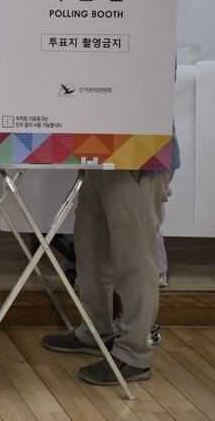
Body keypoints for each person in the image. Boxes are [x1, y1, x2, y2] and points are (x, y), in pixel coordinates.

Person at [42, 99, 180, 385]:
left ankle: (134, 354)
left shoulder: (154, 52)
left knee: (135, 258)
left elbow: (151, 84)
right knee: (91, 248)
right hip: (102, 151)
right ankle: (94, 331)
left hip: (140, 155)